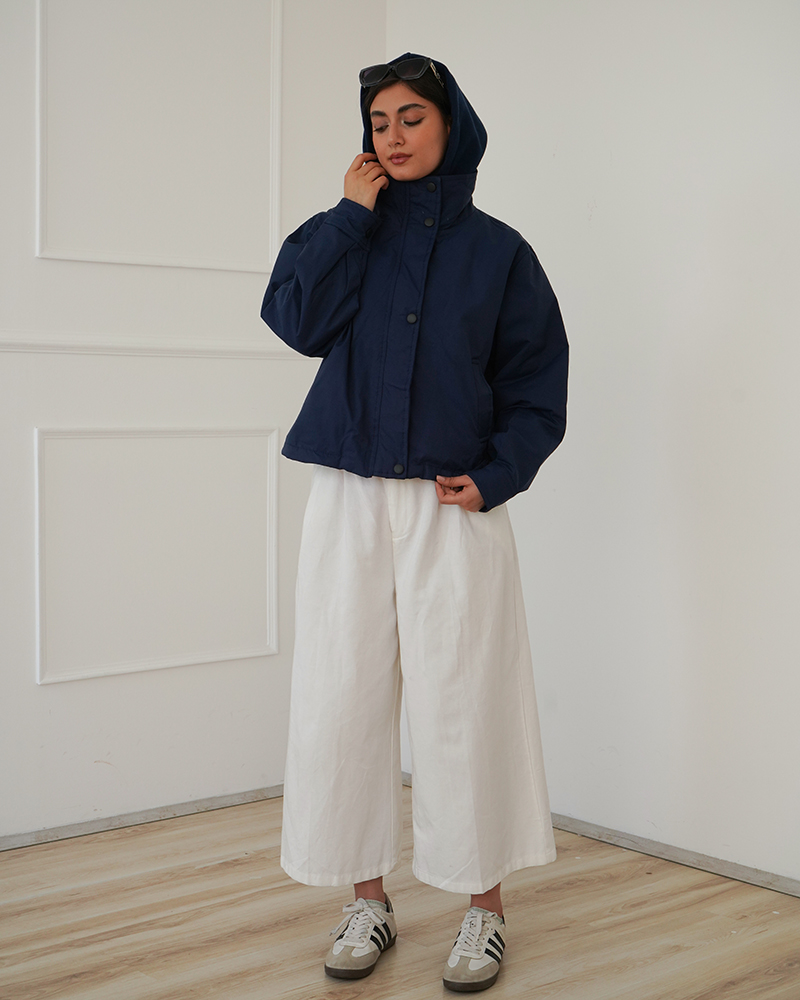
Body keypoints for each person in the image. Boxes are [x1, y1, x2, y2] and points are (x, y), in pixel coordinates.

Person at [261, 52, 568, 993]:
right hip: (350, 496)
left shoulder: (501, 253)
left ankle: (484, 911)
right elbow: (294, 320)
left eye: (412, 118)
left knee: (465, 703)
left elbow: (536, 383)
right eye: (379, 121)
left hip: (453, 502)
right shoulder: (344, 230)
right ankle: (368, 900)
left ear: (451, 125)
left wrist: (496, 474)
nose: (392, 136)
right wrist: (349, 218)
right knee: (341, 697)